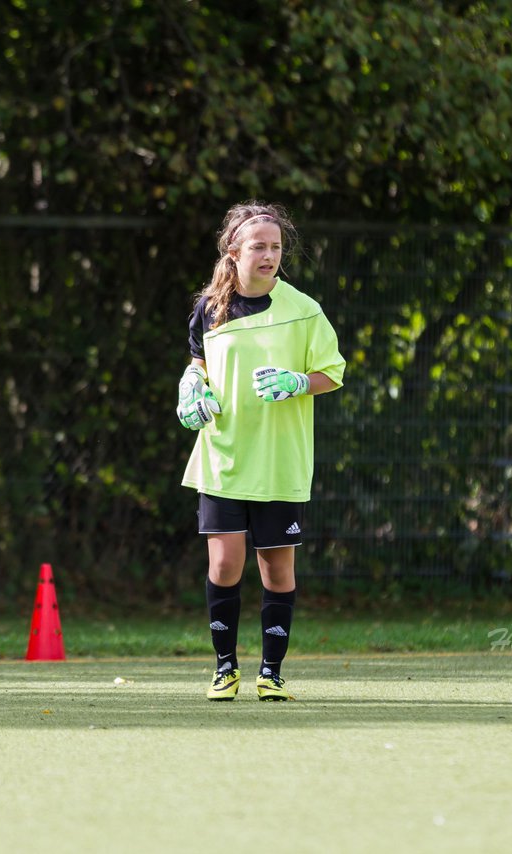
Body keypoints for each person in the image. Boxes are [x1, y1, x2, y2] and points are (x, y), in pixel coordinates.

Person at [177, 201, 346, 701]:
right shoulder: (210, 309)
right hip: (224, 457)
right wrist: (191, 386)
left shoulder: (304, 311)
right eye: (259, 246)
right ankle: (224, 668)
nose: (269, 254)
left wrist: (297, 381)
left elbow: (332, 373)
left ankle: (271, 673)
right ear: (234, 251)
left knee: (276, 569)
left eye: (275, 246)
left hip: (279, 461)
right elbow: (199, 364)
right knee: (225, 565)